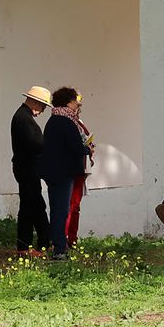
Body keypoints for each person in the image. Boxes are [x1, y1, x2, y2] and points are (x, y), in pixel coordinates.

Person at [39, 87, 88, 261]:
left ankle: (59, 245)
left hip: (54, 172)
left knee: (58, 210)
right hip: (63, 173)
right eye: (76, 100)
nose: (78, 103)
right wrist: (87, 148)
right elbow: (75, 147)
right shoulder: (66, 121)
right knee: (61, 210)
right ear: (68, 102)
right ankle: (59, 249)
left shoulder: (54, 120)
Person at [10, 85, 52, 254]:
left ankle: (34, 244)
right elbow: (35, 145)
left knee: (31, 206)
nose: (42, 111)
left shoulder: (23, 116)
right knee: (33, 206)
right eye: (42, 106)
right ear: (35, 102)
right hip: (27, 169)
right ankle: (36, 244)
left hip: (27, 168)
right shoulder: (24, 119)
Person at [64, 94, 97, 248]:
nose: (78, 109)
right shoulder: (67, 122)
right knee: (70, 206)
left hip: (80, 169)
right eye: (77, 105)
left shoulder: (79, 123)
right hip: (72, 169)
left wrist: (89, 147)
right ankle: (64, 239)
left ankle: (72, 238)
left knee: (75, 206)